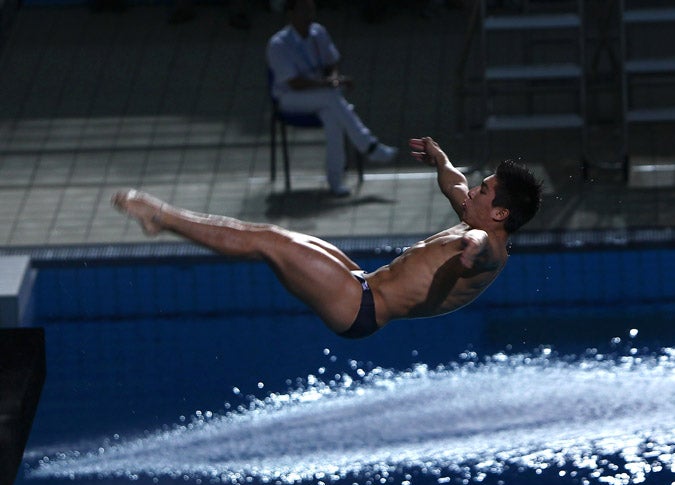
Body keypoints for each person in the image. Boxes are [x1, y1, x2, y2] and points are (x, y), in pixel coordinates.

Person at [112, 137, 542, 339]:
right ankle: (164, 219)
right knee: (271, 237)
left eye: (482, 190)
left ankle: (162, 218)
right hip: (362, 283)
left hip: (360, 308)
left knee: (268, 241)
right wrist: (440, 157)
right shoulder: (475, 218)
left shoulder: (490, 248)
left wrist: (472, 248)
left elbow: (484, 253)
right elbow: (452, 184)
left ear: (500, 214)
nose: (472, 191)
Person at [267, 0, 398, 196]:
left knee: (333, 118)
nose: (308, 16)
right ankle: (368, 145)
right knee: (331, 98)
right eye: (303, 10)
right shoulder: (278, 44)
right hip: (290, 98)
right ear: (291, 13)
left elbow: (331, 62)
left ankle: (335, 180)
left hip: (322, 94)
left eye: (311, 10)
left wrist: (335, 78)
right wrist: (328, 84)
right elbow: (294, 83)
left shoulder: (318, 32)